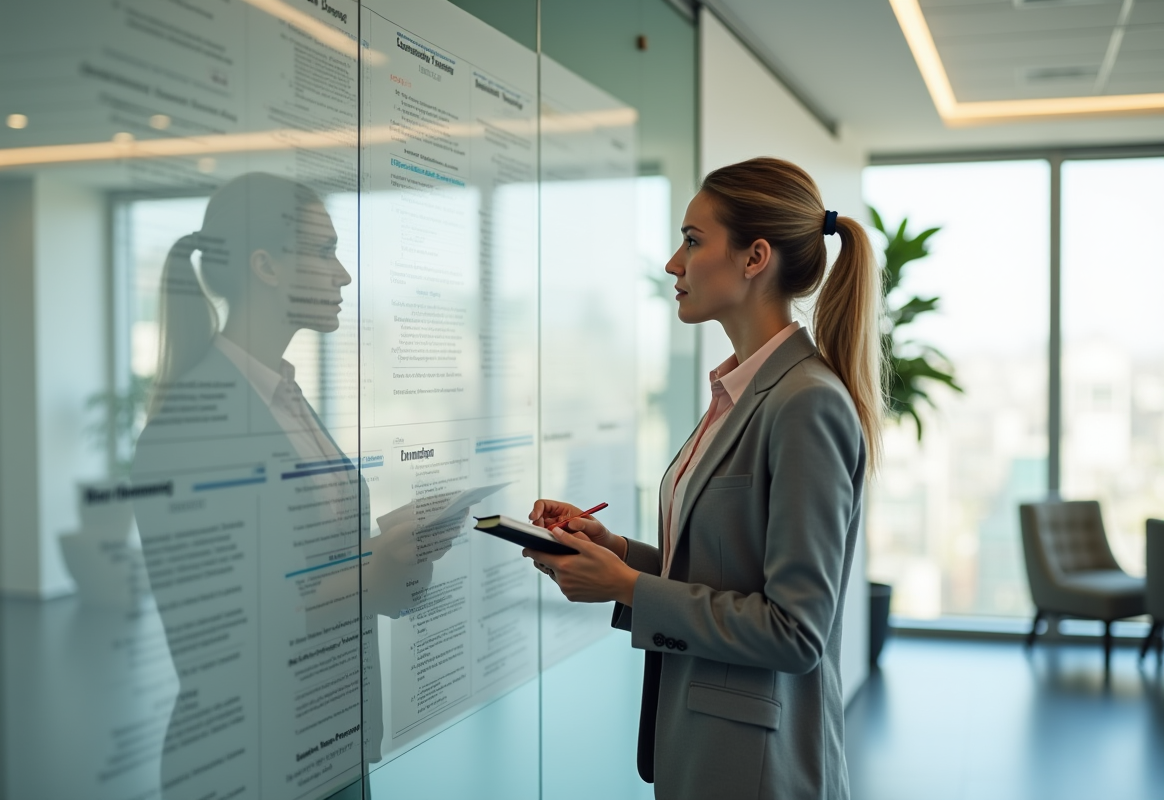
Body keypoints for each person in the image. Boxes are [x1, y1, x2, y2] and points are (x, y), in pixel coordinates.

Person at [524, 157, 883, 800]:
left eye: (692, 240)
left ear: (754, 259)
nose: (672, 263)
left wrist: (629, 587)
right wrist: (615, 553)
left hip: (758, 769)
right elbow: (727, 570)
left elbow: (796, 630)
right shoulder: (740, 393)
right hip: (707, 750)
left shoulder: (806, 402)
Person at [132, 173, 463, 800]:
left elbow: (306, 565)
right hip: (254, 753)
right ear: (265, 266)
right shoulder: (197, 421)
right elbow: (245, 616)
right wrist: (381, 559)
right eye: (322, 251)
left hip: (329, 731)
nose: (341, 274)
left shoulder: (281, 395)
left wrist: (395, 545)